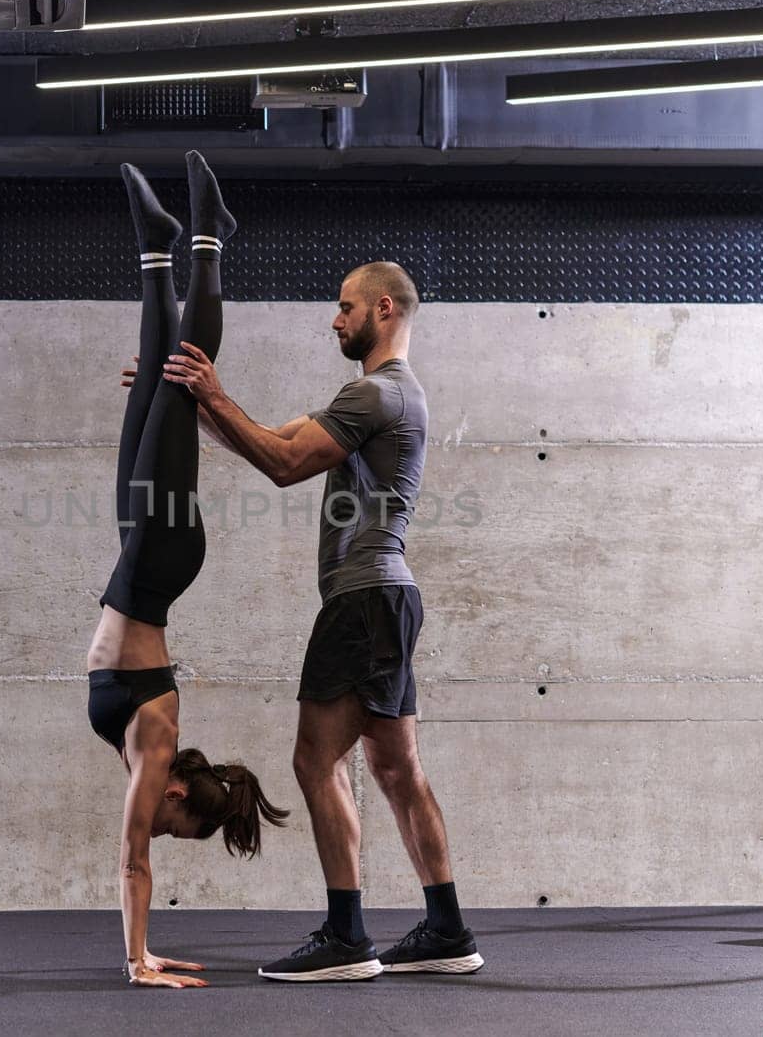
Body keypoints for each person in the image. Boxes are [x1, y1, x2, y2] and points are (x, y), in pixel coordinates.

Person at [161, 261, 483, 982]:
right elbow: (267, 436)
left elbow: (281, 462)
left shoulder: (376, 394)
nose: (335, 321)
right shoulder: (389, 397)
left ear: (385, 309)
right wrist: (191, 404)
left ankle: (346, 937)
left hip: (363, 600)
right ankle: (448, 928)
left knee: (315, 762)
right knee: (397, 768)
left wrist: (212, 391)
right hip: (387, 599)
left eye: (345, 308)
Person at [87, 152, 290, 990]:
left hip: (143, 558)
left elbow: (139, 849)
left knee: (150, 392)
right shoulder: (157, 745)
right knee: (178, 378)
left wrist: (143, 952)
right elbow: (134, 859)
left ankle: (158, 245)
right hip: (162, 558)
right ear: (179, 798)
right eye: (176, 826)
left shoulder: (152, 752)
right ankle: (208, 236)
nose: (156, 826)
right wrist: (139, 961)